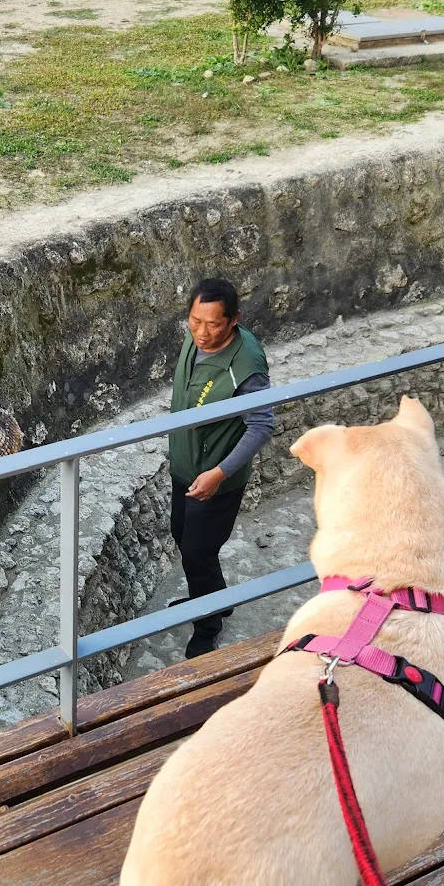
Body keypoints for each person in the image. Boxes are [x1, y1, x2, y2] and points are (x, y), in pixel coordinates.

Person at [168, 278, 274, 659]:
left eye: (213, 324)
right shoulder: (197, 338)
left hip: (214, 478)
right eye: (195, 321)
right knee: (183, 536)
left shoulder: (246, 365)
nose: (202, 332)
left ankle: (207, 624)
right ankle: (214, 599)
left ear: (234, 321)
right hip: (184, 463)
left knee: (197, 549)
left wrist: (219, 473)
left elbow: (262, 425)